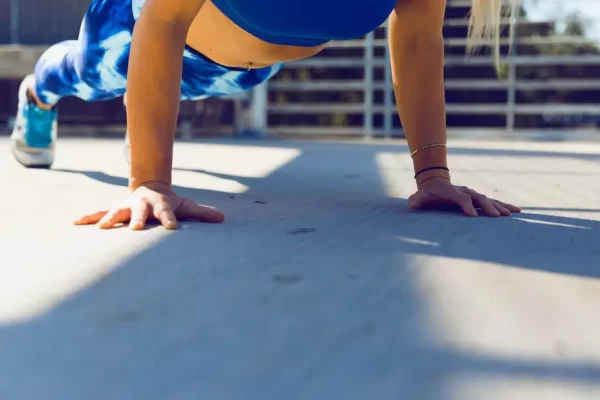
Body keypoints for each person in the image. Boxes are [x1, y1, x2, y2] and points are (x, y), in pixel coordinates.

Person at [10, 0, 522, 230]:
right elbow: (164, 19)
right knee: (84, 74)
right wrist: (151, 181)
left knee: (160, 95)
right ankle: (37, 95)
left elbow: (415, 39)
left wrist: (433, 175)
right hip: (139, 28)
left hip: (243, 73)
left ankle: (140, 119)